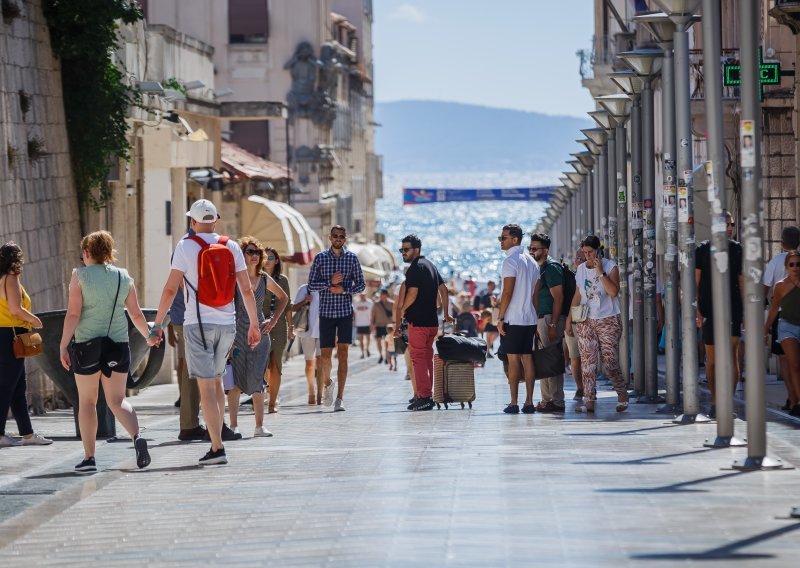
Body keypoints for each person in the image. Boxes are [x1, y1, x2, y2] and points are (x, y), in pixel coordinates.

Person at [149, 199, 261, 466]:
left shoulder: (185, 246)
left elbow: (169, 289)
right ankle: (217, 440)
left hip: (197, 324)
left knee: (206, 387)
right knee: (218, 384)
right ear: (216, 219)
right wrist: (255, 324)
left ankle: (216, 448)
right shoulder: (232, 246)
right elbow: (246, 290)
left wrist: (156, 324)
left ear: (192, 221)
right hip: (228, 324)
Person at [59, 231, 151, 472]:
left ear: (87, 253)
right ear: (109, 252)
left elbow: (73, 314)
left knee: (87, 402)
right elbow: (135, 313)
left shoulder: (79, 276)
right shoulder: (123, 277)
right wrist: (149, 336)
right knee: (117, 401)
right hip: (118, 347)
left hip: (87, 347)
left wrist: (63, 345)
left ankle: (89, 458)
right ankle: (137, 436)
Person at [227, 238, 287, 438]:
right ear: (241, 255)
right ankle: (233, 425)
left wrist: (272, 321)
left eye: (257, 253)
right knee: (234, 381)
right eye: (249, 252)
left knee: (258, 380)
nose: (254, 256)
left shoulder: (264, 279)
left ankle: (259, 426)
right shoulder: (234, 278)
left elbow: (284, 299)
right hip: (236, 333)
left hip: (260, 335)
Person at [565, 235, 628, 413]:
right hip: (586, 319)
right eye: (584, 253)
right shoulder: (581, 270)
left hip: (608, 319)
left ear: (598, 250)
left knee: (610, 362)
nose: (587, 256)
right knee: (588, 362)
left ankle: (622, 393)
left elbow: (613, 292)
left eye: (590, 252)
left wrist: (600, 272)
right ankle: (589, 400)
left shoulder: (610, 266)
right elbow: (578, 295)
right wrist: (569, 319)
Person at [307, 225, 366, 411]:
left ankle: (340, 398)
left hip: (344, 312)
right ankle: (328, 383)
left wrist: (345, 289)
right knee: (324, 357)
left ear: (345, 238)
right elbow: (311, 285)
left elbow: (361, 285)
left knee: (343, 354)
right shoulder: (321, 258)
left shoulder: (352, 259)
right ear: (329, 238)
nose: (338, 239)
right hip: (325, 313)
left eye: (341, 236)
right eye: (335, 236)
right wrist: (329, 283)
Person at [0, 242, 51, 448]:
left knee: (18, 386)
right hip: (12, 335)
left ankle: (27, 434)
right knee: (6, 387)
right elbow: (15, 309)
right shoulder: (10, 279)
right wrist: (34, 320)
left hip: (5, 335)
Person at [395, 234, 452, 411]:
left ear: (416, 249)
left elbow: (412, 292)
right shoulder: (430, 266)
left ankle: (425, 396)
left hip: (418, 322)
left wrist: (403, 309)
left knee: (417, 359)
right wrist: (446, 313)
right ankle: (424, 394)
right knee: (427, 358)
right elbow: (443, 289)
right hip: (432, 322)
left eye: (406, 249)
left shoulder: (414, 268)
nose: (403, 253)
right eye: (401, 250)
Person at [695, 211, 743, 419]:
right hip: (708, 308)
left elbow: (742, 281)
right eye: (726, 224)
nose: (730, 227)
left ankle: (727, 402)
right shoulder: (703, 250)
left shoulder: (737, 249)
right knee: (712, 359)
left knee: (732, 355)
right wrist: (696, 309)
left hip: (732, 306)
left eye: (731, 224)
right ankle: (715, 401)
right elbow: (695, 283)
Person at [496, 225, 539, 414]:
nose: (500, 241)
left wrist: (500, 317)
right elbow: (535, 295)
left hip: (513, 318)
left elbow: (507, 291)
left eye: (503, 238)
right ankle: (529, 402)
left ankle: (514, 402)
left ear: (515, 239)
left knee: (513, 361)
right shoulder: (532, 261)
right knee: (527, 359)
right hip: (529, 317)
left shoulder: (510, 261)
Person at [763, 226, 800, 408]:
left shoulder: (775, 260)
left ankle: (792, 396)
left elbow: (765, 287)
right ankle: (794, 398)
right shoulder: (792, 261)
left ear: (782, 242)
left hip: (780, 317)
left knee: (785, 361)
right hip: (785, 317)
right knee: (792, 361)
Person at [530, 233, 566, 413]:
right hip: (541, 319)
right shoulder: (540, 267)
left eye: (534, 248)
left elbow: (558, 297)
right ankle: (546, 400)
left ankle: (557, 400)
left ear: (545, 250)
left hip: (550, 319)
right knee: (543, 361)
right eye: (530, 248)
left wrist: (552, 325)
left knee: (552, 360)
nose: (531, 251)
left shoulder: (551, 268)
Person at [168, 290, 204, 441]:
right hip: (194, 319)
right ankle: (191, 425)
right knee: (201, 373)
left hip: (191, 319)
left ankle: (190, 425)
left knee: (193, 372)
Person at [262, 246, 292, 414]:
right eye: (265, 257)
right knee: (264, 364)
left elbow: (287, 305)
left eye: (271, 257)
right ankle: (266, 391)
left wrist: (291, 327)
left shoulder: (283, 280)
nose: (267, 260)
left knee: (276, 363)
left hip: (279, 326)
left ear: (277, 260)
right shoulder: (258, 278)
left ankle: (272, 402)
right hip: (262, 325)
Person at [293, 283, 321, 404]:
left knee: (321, 362)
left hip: (324, 331)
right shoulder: (304, 288)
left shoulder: (328, 288)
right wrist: (305, 300)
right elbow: (293, 308)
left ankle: (320, 393)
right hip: (307, 331)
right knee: (310, 363)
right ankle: (311, 391)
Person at [473, 280, 498, 355]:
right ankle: (488, 351)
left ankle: (487, 348)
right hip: (487, 315)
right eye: (492, 285)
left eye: (494, 285)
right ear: (488, 286)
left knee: (496, 332)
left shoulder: (497, 295)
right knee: (489, 333)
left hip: (495, 314)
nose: (493, 287)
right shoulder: (484, 296)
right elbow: (481, 307)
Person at [370, 288, 394, 364]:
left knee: (387, 342)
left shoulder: (392, 303)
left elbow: (395, 314)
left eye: (384, 294)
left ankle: (387, 356)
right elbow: (373, 315)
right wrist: (372, 324)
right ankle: (380, 355)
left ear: (387, 295)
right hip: (379, 325)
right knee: (378, 341)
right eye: (381, 295)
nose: (383, 296)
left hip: (389, 326)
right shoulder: (376, 303)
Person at [353, 292, 373, 359]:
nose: (362, 296)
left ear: (366, 295)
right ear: (359, 295)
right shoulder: (356, 303)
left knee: (368, 338)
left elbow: (372, 313)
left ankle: (367, 349)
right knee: (361, 339)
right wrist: (354, 322)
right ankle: (362, 352)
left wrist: (372, 323)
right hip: (359, 323)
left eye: (363, 295)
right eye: (361, 295)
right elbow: (354, 313)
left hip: (368, 323)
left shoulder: (370, 303)